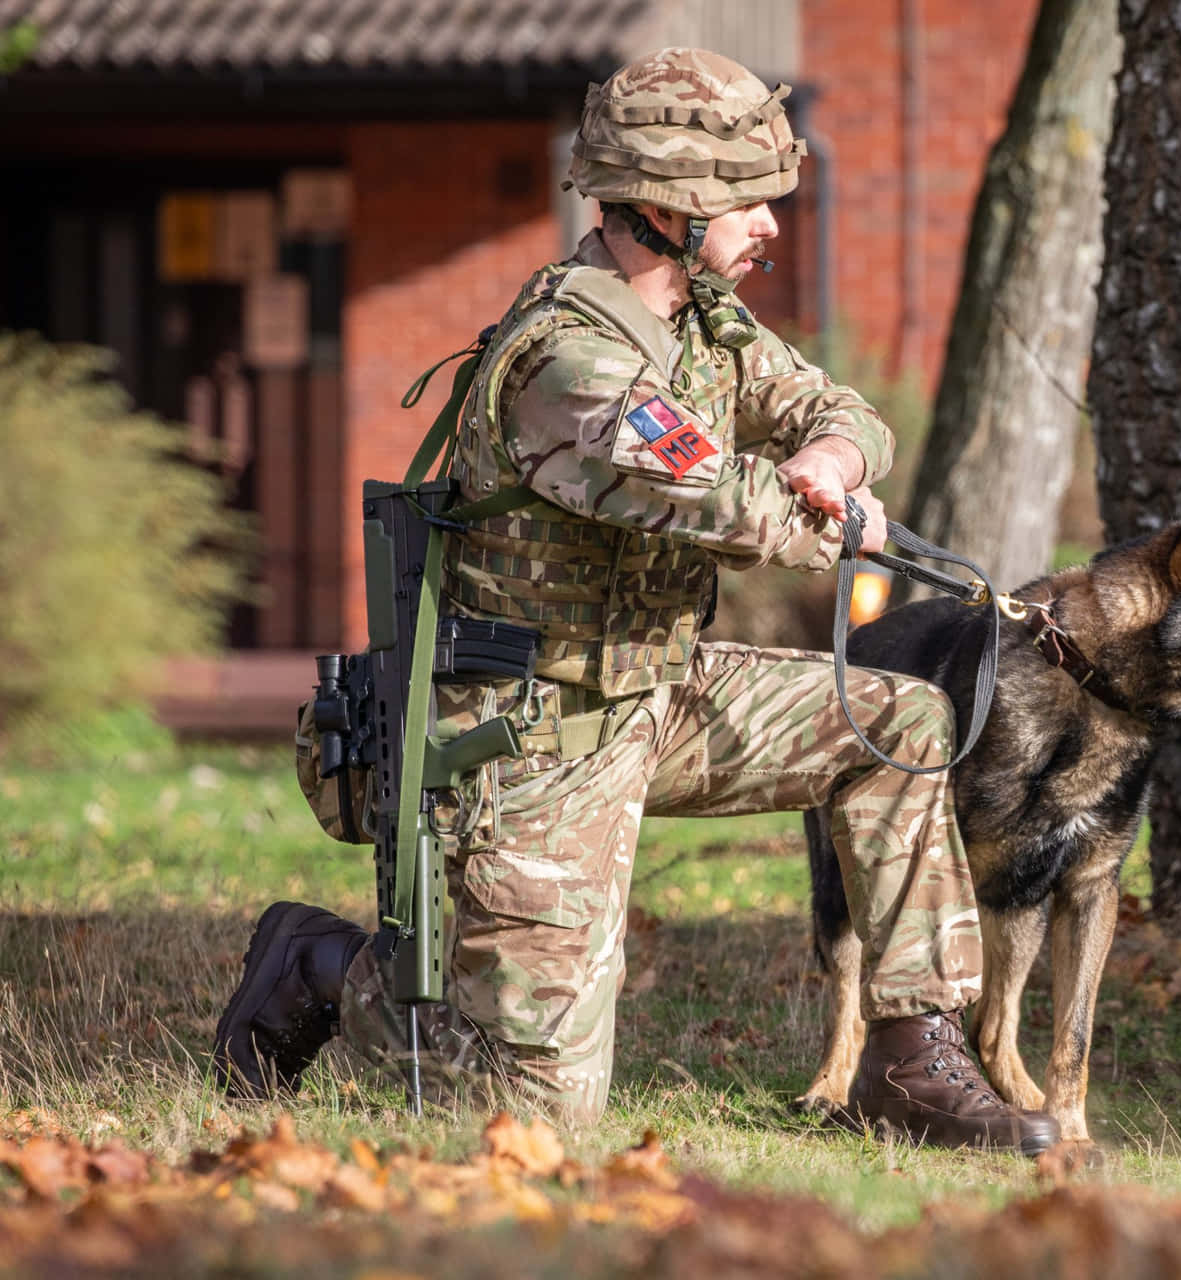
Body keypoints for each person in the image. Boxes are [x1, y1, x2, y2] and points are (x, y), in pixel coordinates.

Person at [212, 47, 1057, 1156]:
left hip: (658, 688)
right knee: (525, 1116)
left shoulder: (704, 322)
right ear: (664, 203)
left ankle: (909, 1061)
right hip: (532, 729)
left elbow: (835, 406)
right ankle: (323, 967)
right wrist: (828, 515)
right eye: (745, 200)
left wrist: (840, 460)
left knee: (897, 721)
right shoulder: (569, 360)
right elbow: (719, 503)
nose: (769, 225)